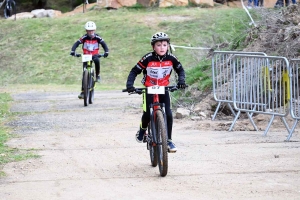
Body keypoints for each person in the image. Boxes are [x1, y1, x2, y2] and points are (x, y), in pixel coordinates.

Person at [125, 32, 187, 153]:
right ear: (153, 47)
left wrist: (181, 81)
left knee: (168, 113)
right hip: (149, 87)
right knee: (147, 113)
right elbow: (134, 71)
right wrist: (130, 85)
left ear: (168, 46)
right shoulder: (147, 58)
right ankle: (142, 130)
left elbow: (180, 70)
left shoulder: (171, 58)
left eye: (165, 45)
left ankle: (168, 140)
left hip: (163, 87)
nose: (162, 47)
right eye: (159, 45)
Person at [70, 21, 109, 99]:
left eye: (92, 30)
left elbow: (104, 44)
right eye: (89, 30)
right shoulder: (84, 38)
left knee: (97, 61)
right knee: (84, 72)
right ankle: (82, 91)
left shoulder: (98, 37)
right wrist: (73, 51)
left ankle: (97, 75)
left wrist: (106, 51)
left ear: (94, 30)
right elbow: (76, 43)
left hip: (94, 55)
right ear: (86, 31)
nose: (90, 32)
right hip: (86, 56)